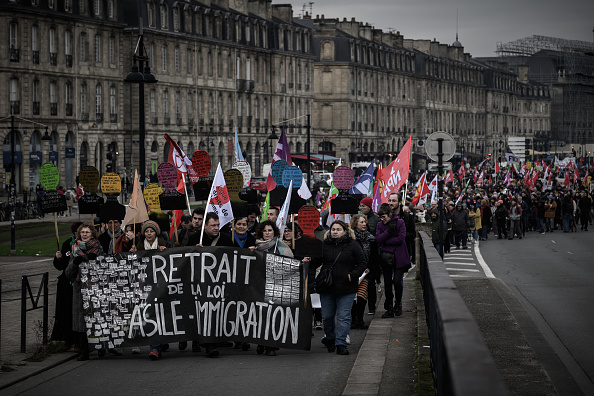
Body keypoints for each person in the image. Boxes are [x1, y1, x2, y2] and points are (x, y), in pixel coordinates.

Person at [312, 220, 366, 356]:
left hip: (346, 287)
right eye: (333, 229)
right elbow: (318, 260)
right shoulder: (325, 245)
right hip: (327, 286)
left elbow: (362, 262)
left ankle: (341, 344)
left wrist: (352, 275)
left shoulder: (352, 245)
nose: (335, 232)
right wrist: (309, 259)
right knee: (327, 316)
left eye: (338, 229)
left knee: (343, 316)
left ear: (345, 231)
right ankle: (330, 338)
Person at [188, 212, 233, 357]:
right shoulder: (195, 238)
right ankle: (198, 340)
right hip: (199, 284)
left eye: (218, 225)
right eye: (213, 225)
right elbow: (182, 258)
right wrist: (193, 250)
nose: (216, 228)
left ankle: (210, 344)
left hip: (218, 285)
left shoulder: (226, 239)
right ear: (205, 226)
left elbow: (235, 258)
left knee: (213, 313)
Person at [65, 223, 103, 361]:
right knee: (81, 321)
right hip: (79, 289)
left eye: (87, 232)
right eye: (82, 232)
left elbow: (105, 269)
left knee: (97, 318)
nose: (85, 234)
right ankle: (84, 351)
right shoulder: (74, 249)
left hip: (95, 288)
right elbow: (68, 273)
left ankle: (101, 347)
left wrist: (94, 262)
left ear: (92, 234)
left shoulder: (98, 248)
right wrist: (75, 262)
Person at [254, 220, 293, 356]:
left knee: (272, 315)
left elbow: (290, 265)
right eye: (264, 231)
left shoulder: (281, 246)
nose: (267, 233)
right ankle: (261, 342)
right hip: (259, 286)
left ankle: (270, 345)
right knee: (261, 316)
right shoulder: (255, 247)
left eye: (270, 230)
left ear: (274, 232)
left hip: (276, 285)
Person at [129, 220, 167, 359]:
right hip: (145, 286)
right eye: (146, 231)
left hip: (162, 286)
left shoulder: (164, 245)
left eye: (151, 231)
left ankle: (160, 344)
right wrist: (132, 254)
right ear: (143, 234)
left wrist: (166, 252)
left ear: (156, 233)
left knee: (162, 315)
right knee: (150, 315)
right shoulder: (138, 247)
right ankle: (154, 347)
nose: (149, 233)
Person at [51, 221, 83, 352]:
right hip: (66, 283)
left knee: (78, 313)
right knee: (65, 312)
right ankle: (67, 339)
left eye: (80, 232)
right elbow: (60, 267)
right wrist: (57, 258)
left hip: (80, 281)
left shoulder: (87, 244)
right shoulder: (67, 244)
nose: (78, 234)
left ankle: (78, 341)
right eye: (76, 232)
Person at [376, 204, 411, 318]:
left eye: (384, 217)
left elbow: (401, 238)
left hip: (399, 255)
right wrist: (388, 233)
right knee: (387, 283)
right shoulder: (380, 225)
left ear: (390, 214)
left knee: (397, 281)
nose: (382, 219)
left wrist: (386, 241)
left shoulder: (399, 222)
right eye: (381, 217)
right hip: (386, 257)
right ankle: (389, 307)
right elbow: (378, 239)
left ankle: (398, 303)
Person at [349, 214, 374, 329]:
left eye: (365, 222)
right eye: (361, 222)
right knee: (353, 297)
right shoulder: (351, 239)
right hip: (353, 272)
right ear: (355, 224)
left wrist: (370, 268)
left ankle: (360, 319)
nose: (364, 224)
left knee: (362, 296)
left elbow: (374, 256)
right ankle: (353, 319)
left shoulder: (370, 238)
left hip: (366, 273)